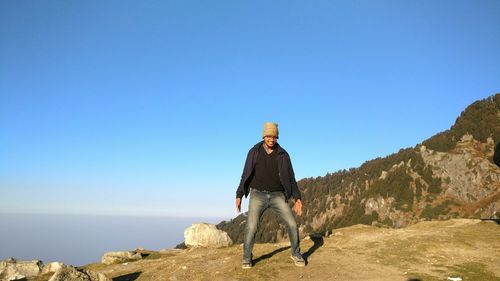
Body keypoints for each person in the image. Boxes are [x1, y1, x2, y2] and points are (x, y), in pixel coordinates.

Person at [235, 122, 305, 269]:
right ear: (263, 136)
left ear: (277, 137)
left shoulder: (283, 155)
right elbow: (245, 174)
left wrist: (297, 198)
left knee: (292, 224)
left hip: (278, 195)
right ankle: (247, 257)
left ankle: (296, 253)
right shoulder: (254, 152)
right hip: (257, 194)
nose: (271, 140)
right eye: (268, 136)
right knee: (252, 226)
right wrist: (239, 194)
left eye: (274, 137)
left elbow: (291, 178)